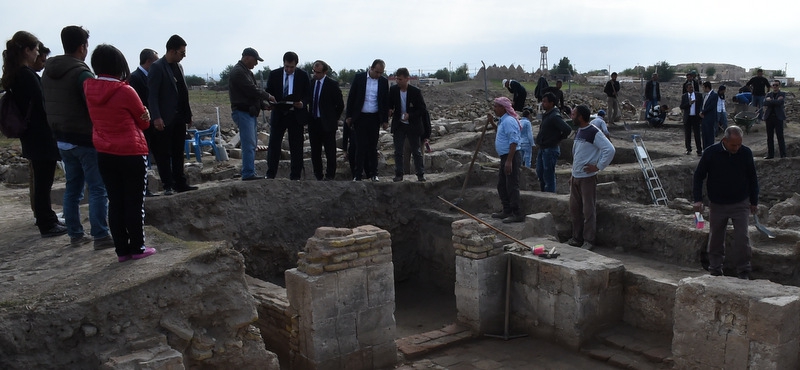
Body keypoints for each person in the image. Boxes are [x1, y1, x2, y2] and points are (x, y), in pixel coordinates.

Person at [84, 44, 156, 262]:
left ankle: (122, 251)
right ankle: (138, 247)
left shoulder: (88, 88)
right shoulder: (126, 91)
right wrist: (145, 113)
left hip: (105, 152)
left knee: (115, 201)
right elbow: (144, 123)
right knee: (134, 202)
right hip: (131, 152)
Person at [42, 25, 112, 249]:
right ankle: (101, 235)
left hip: (61, 139)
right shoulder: (81, 73)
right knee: (98, 188)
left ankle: (76, 234)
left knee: (73, 188)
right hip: (84, 139)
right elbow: (93, 105)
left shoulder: (47, 72)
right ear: (82, 47)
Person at [2, 31, 66, 238]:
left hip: (32, 134)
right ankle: (46, 223)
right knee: (43, 181)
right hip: (39, 134)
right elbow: (41, 104)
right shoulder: (26, 75)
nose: (38, 54)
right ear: (27, 51)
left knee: (42, 180)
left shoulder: (16, 74)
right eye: (36, 50)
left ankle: (47, 218)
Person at [693, 125, 758, 280]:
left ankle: (743, 271)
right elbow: (698, 176)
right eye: (733, 145)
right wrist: (697, 199)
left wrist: (754, 201)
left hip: (740, 203)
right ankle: (715, 269)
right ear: (724, 140)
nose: (736, 148)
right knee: (715, 238)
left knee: (742, 238)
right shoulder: (711, 153)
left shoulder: (745, 153)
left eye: (739, 144)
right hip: (717, 203)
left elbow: (752, 177)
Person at [148, 34, 197, 194]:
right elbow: (152, 95)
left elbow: (183, 92)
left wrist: (188, 114)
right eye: (182, 53)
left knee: (178, 152)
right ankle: (167, 185)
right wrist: (156, 117)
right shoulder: (157, 67)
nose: (184, 56)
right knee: (163, 153)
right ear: (172, 51)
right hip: (164, 118)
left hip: (179, 117)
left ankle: (180, 183)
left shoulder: (179, 68)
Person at [566, 105, 615, 251]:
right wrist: (572, 173)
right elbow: (578, 155)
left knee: (588, 210)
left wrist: (598, 166)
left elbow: (610, 149)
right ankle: (576, 238)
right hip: (576, 177)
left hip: (587, 178)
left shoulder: (593, 132)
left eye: (573, 114)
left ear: (580, 117)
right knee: (575, 210)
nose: (571, 117)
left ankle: (588, 240)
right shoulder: (580, 131)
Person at [265, 51, 310, 180]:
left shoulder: (303, 75)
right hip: (279, 113)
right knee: (274, 144)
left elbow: (308, 94)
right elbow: (269, 91)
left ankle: (295, 176)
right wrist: (271, 101)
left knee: (296, 146)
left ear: (296, 65)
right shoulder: (274, 74)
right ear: (283, 64)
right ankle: (270, 174)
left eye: (292, 67)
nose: (289, 69)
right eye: (287, 67)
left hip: (295, 115)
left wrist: (303, 103)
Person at [229, 47, 273, 180]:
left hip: (249, 112)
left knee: (252, 144)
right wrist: (268, 96)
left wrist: (263, 105)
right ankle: (248, 173)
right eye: (255, 60)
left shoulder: (247, 72)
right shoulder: (238, 72)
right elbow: (251, 90)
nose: (256, 64)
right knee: (248, 144)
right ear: (247, 57)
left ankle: (249, 171)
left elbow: (252, 93)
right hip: (243, 112)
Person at [345, 59, 389, 181]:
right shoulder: (359, 78)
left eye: (381, 72)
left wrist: (385, 120)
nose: (378, 75)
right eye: (377, 72)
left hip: (374, 117)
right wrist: (349, 116)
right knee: (360, 147)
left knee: (372, 147)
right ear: (371, 68)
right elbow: (352, 97)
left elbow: (385, 101)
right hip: (360, 117)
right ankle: (357, 174)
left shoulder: (384, 82)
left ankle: (374, 174)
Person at [127, 48, 159, 196]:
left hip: (151, 125)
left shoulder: (149, 77)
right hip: (141, 127)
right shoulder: (135, 78)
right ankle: (143, 190)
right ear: (149, 61)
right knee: (142, 160)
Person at [488, 97, 524, 223]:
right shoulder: (502, 121)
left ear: (503, 108)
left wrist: (509, 161)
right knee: (502, 185)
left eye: (496, 106)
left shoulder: (509, 121)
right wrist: (492, 122)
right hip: (505, 156)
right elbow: (500, 132)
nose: (494, 108)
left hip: (511, 156)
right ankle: (507, 210)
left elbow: (514, 141)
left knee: (512, 185)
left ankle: (517, 213)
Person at [389, 67, 428, 182]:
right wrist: (390, 110)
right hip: (399, 124)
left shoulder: (415, 92)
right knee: (398, 151)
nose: (398, 81)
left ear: (407, 79)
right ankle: (399, 174)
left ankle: (420, 174)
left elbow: (422, 110)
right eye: (397, 79)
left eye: (400, 79)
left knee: (416, 150)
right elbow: (390, 104)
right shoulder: (393, 90)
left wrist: (410, 115)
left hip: (413, 125)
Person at [308, 60, 344, 180]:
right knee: (315, 151)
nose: (315, 74)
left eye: (318, 72)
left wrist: (333, 118)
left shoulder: (332, 84)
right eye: (314, 71)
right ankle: (318, 175)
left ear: (324, 72)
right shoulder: (311, 83)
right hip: (314, 122)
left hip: (328, 123)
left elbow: (340, 105)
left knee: (330, 151)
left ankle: (330, 175)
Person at [535, 92, 572, 192]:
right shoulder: (547, 115)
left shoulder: (554, 116)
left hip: (550, 149)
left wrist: (557, 139)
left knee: (548, 175)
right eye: (542, 101)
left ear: (551, 103)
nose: (543, 104)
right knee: (540, 172)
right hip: (543, 148)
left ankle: (550, 194)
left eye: (545, 102)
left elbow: (567, 129)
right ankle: (544, 193)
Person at [762, 80, 786, 159]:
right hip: (769, 117)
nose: (775, 86)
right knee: (769, 137)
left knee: (780, 136)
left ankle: (783, 155)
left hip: (778, 118)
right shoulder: (769, 94)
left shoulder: (782, 94)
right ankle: (770, 155)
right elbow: (765, 103)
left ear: (779, 86)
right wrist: (775, 101)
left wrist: (771, 101)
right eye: (773, 85)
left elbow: (780, 103)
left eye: (776, 85)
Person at [680, 82, 703, 156]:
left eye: (692, 87)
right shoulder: (684, 96)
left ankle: (699, 150)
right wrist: (689, 103)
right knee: (687, 134)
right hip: (688, 117)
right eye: (690, 87)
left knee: (697, 134)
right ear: (687, 89)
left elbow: (702, 105)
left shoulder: (698, 95)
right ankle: (688, 149)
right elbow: (682, 106)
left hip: (695, 117)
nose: (691, 89)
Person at [699, 81, 718, 150]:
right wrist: (701, 111)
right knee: (704, 134)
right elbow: (702, 105)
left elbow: (711, 106)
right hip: (704, 117)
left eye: (703, 87)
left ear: (707, 87)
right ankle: (705, 148)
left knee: (709, 133)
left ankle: (710, 149)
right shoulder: (705, 95)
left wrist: (703, 112)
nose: (703, 89)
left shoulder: (714, 95)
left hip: (710, 117)